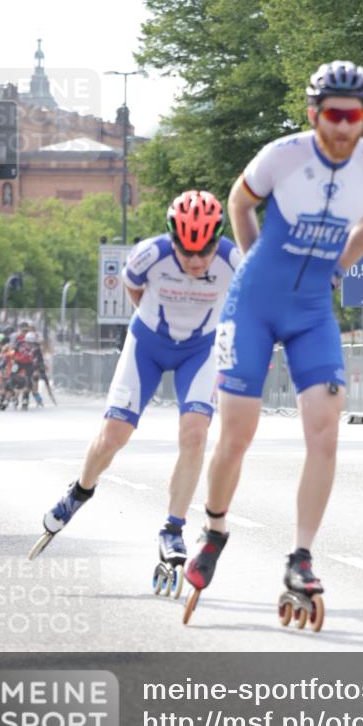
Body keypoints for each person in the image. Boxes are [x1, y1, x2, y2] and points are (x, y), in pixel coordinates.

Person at [184, 61, 363, 621]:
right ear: (314, 113)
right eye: (333, 114)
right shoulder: (284, 154)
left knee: (326, 432)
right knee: (237, 436)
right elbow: (239, 201)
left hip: (311, 311)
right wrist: (252, 260)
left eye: (355, 116)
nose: (344, 126)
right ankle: (214, 527)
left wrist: (340, 267)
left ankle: (301, 556)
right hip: (251, 306)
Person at [33, 191, 240, 572]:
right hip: (147, 343)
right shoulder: (149, 254)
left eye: (204, 251)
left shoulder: (233, 261)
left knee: (195, 435)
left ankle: (172, 528)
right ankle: (80, 490)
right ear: (171, 239)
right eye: (185, 250)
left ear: (217, 239)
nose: (195, 261)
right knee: (115, 434)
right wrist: (152, 319)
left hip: (201, 349)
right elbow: (132, 286)